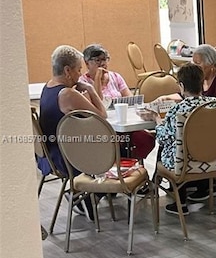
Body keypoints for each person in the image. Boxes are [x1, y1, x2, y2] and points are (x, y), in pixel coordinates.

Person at [38, 45, 107, 219]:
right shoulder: (67, 94)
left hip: (49, 155)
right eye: (78, 70)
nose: (79, 75)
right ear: (67, 70)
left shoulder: (47, 88)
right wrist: (91, 89)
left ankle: (90, 194)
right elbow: (102, 116)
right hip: (68, 159)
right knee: (120, 149)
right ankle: (90, 194)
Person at [144, 63, 211, 216]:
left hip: (185, 163)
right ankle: (205, 188)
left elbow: (162, 137)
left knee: (167, 149)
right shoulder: (215, 104)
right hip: (212, 160)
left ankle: (178, 201)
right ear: (202, 83)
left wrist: (156, 118)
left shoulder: (178, 109)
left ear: (181, 85)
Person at [80, 43, 154, 160]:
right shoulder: (83, 82)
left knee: (146, 139)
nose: (102, 64)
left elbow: (131, 100)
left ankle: (132, 165)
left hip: (123, 122)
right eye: (97, 60)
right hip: (102, 127)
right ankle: (121, 164)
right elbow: (97, 103)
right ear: (87, 63)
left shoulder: (115, 77)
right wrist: (98, 80)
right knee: (119, 144)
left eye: (105, 59)